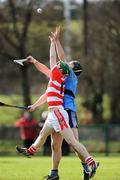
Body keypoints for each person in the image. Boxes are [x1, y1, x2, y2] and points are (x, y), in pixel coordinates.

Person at [16, 35, 99, 179]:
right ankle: (39, 159)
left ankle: (89, 163)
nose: (65, 63)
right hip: (53, 114)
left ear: (71, 69)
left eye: (70, 63)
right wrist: (45, 50)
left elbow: (57, 57)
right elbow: (50, 61)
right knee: (48, 139)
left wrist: (56, 42)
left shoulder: (66, 74)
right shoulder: (56, 75)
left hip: (63, 112)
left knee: (73, 142)